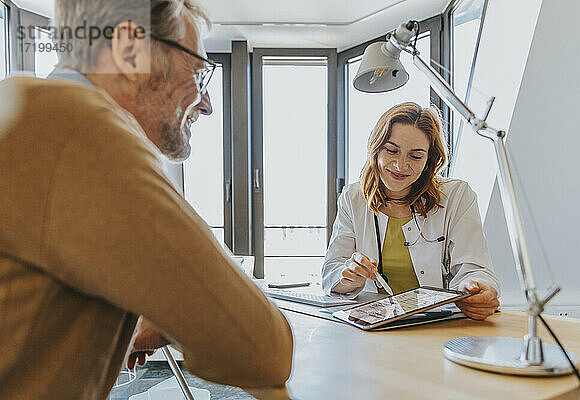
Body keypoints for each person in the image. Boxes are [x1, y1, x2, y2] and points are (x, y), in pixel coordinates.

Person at [0, 1, 292, 399]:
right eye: (198, 70)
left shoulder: (32, 113)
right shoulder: (80, 128)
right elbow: (263, 348)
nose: (206, 104)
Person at [322, 102, 500, 320]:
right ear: (376, 149)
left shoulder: (457, 196)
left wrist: (477, 288)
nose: (400, 165)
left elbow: (474, 269)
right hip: (373, 327)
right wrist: (348, 276)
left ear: (429, 160)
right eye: (391, 150)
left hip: (436, 324)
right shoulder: (353, 197)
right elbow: (331, 270)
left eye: (415, 156)